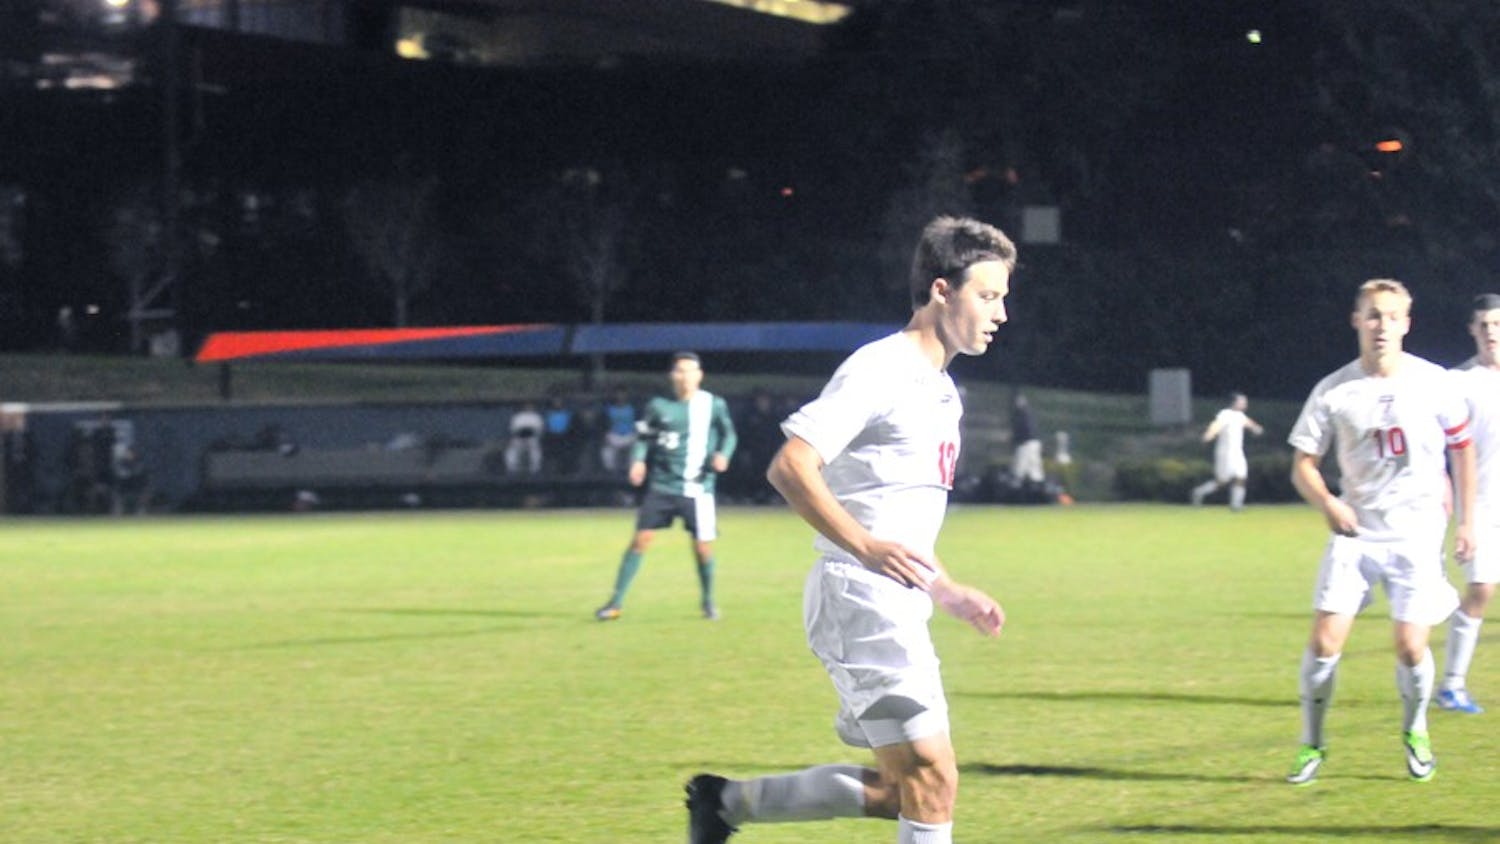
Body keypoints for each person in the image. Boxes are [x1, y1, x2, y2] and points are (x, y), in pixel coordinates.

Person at [683, 216, 1013, 844]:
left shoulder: (944, 392)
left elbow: (897, 518)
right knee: (934, 780)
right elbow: (791, 466)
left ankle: (722, 804)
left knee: (902, 790)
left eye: (1003, 298)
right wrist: (863, 547)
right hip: (861, 600)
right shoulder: (881, 368)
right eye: (988, 295)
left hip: (894, 601)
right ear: (942, 290)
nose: (1000, 313)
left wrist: (947, 590)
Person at [1284, 278, 1476, 786]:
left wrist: (1467, 520)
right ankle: (1312, 742)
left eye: (1392, 316)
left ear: (1407, 324)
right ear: (1356, 321)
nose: (1381, 326)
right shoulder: (1334, 390)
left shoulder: (1435, 383)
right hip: (1357, 535)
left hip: (1415, 537)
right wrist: (1327, 502)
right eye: (1372, 315)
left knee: (1411, 647)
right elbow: (1303, 464)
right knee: (1325, 642)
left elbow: (1462, 447)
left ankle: (1415, 731)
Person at [594, 352, 738, 621]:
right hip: (663, 484)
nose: (685, 377)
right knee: (641, 540)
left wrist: (724, 454)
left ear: (699, 375)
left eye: (690, 371)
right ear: (672, 376)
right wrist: (638, 460)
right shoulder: (657, 405)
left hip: (698, 487)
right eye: (680, 371)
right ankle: (615, 603)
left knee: (703, 547)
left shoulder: (713, 404)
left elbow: (729, 433)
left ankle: (708, 601)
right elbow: (643, 437)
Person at [1437, 293, 1500, 714]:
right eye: (1484, 325)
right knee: (1480, 589)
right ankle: (1452, 685)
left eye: (1497, 325)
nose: (1491, 333)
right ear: (1472, 331)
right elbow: (1437, 443)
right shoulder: (1458, 382)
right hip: (1481, 506)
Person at [1190, 392, 1265, 510]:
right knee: (1222, 482)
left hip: (1238, 453)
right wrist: (1209, 435)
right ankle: (1199, 492)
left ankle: (1236, 504)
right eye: (1242, 401)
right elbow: (1216, 425)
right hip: (1225, 453)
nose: (1245, 404)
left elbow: (1248, 423)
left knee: (1241, 476)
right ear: (1234, 402)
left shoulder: (1240, 416)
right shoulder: (1225, 414)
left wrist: (1256, 428)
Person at [599, 389, 638, 473]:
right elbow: (605, 425)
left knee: (637, 448)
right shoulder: (609, 409)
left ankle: (631, 471)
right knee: (607, 450)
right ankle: (610, 471)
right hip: (614, 436)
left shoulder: (633, 409)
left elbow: (638, 423)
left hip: (630, 435)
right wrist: (606, 436)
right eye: (618, 395)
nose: (621, 397)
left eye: (623, 395)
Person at [1009, 393, 1043, 488]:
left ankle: (1015, 488)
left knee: (1020, 467)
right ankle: (1036, 486)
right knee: (1034, 467)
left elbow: (1026, 430)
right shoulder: (1026, 413)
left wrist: (1017, 440)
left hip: (1027, 443)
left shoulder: (1023, 414)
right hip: (1032, 442)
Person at [504, 401, 543, 475]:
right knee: (511, 451)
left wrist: (531, 434)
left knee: (535, 451)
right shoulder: (518, 416)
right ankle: (512, 469)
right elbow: (513, 429)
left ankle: (534, 469)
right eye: (527, 406)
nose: (529, 408)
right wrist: (520, 435)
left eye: (531, 406)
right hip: (518, 438)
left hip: (532, 438)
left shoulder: (537, 417)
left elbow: (539, 429)